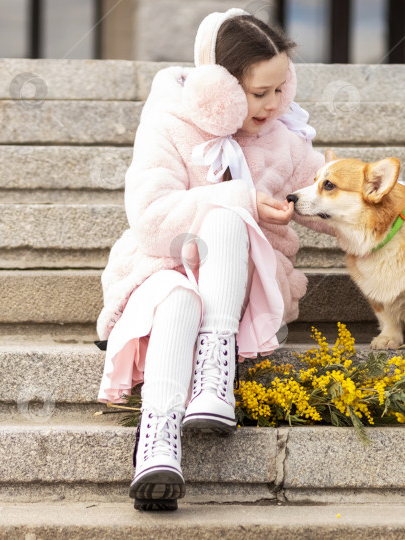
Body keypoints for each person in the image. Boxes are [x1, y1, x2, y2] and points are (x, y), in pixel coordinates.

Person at [94, 8, 329, 511]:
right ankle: (157, 445)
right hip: (165, 265)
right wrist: (241, 197)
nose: (272, 105)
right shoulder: (168, 123)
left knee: (227, 221)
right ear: (218, 89)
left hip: (239, 287)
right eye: (257, 93)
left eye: (279, 90)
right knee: (180, 298)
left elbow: (332, 199)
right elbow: (152, 219)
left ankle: (215, 375)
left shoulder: (283, 141)